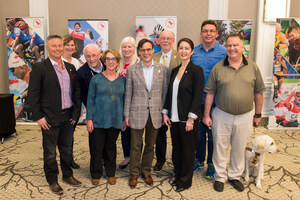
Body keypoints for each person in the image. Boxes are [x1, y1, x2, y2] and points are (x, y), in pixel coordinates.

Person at [203, 34, 266, 192]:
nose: (232, 48)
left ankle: (235, 176)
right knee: (219, 147)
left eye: (235, 45)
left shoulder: (253, 67)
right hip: (221, 114)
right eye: (229, 45)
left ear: (242, 47)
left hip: (245, 115)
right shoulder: (218, 67)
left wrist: (258, 114)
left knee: (239, 148)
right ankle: (220, 177)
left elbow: (259, 92)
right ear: (226, 48)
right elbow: (209, 92)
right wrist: (206, 115)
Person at [28, 35, 82, 195]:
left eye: (60, 45)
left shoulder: (70, 67)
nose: (58, 48)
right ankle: (52, 180)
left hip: (68, 117)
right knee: (50, 151)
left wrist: (76, 112)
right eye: (54, 46)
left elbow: (77, 91)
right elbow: (33, 94)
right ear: (48, 48)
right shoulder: (39, 67)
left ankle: (68, 175)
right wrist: (38, 116)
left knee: (66, 149)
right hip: (49, 118)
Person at [124, 38, 168, 188]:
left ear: (153, 50)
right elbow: (128, 94)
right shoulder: (132, 69)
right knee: (135, 145)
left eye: (149, 49)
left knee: (150, 145)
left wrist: (164, 113)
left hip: (155, 113)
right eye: (143, 50)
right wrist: (126, 115)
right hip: (137, 112)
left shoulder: (163, 69)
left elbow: (164, 94)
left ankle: (146, 171)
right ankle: (134, 173)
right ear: (139, 52)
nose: (146, 52)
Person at [163, 38, 204, 192]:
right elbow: (169, 94)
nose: (183, 51)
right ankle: (178, 176)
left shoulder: (196, 71)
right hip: (174, 117)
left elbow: (197, 96)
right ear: (177, 50)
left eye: (187, 48)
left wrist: (191, 119)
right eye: (181, 48)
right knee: (177, 148)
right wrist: (165, 112)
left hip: (187, 119)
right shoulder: (175, 70)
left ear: (192, 51)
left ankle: (185, 181)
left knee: (188, 150)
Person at [191, 20, 226, 179]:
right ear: (200, 33)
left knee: (213, 134)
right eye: (205, 31)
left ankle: (212, 163)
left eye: (212, 31)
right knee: (198, 133)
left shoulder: (224, 52)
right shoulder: (194, 52)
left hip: (216, 101)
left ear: (217, 33)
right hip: (197, 99)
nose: (208, 34)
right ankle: (199, 159)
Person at [86, 49, 126, 185]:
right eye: (108, 59)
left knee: (111, 147)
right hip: (98, 120)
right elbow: (90, 100)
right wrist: (89, 119)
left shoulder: (123, 80)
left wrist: (125, 118)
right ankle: (96, 173)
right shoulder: (95, 79)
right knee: (97, 148)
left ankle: (110, 173)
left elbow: (125, 101)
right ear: (104, 61)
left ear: (117, 62)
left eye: (113, 59)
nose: (110, 62)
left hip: (115, 120)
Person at [152, 30, 181, 172]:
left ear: (173, 40)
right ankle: (160, 160)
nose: (165, 41)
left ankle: (177, 161)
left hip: (176, 102)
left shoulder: (180, 57)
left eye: (168, 38)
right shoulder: (153, 57)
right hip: (158, 102)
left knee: (176, 134)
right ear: (158, 41)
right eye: (162, 38)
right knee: (159, 134)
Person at [117, 36, 139, 170]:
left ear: (134, 48)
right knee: (124, 129)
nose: (127, 49)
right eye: (124, 46)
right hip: (119, 102)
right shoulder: (117, 63)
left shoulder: (139, 62)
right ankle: (127, 157)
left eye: (130, 46)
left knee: (136, 131)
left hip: (135, 103)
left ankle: (137, 157)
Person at [76, 43, 105, 108]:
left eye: (94, 55)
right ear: (85, 57)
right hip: (94, 111)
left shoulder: (108, 66)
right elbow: (83, 97)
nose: (91, 59)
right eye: (88, 56)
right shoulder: (80, 74)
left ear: (99, 55)